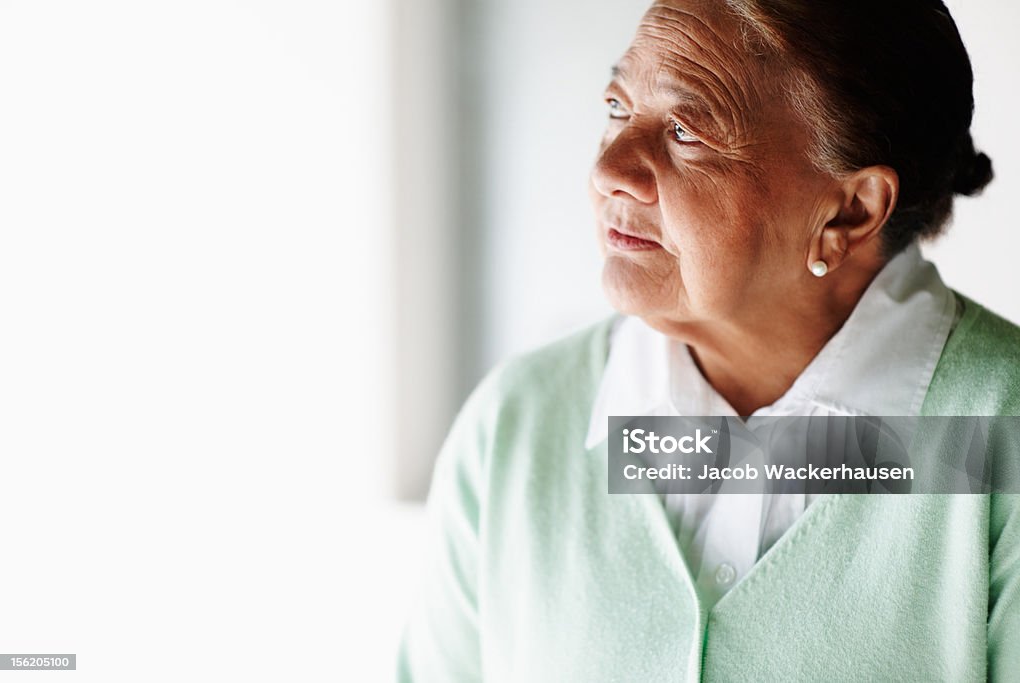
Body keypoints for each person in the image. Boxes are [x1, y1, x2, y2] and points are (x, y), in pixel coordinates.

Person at [397, 0, 1020, 680]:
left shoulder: (1001, 441)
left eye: (687, 132)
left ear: (851, 209)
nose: (612, 169)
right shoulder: (514, 428)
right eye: (617, 106)